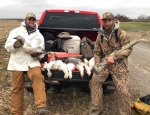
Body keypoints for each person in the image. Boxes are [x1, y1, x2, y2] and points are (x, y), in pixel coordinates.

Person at [89, 12, 132, 115]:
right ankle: (96, 108)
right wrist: (97, 61)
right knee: (95, 81)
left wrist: (115, 57)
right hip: (105, 63)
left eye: (109, 20)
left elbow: (128, 49)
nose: (106, 23)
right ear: (102, 21)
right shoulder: (100, 35)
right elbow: (97, 51)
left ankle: (125, 112)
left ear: (113, 21)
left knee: (123, 90)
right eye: (104, 21)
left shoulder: (122, 33)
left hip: (119, 64)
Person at [5, 13, 47, 115]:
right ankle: (16, 112)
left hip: (32, 62)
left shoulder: (39, 35)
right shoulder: (16, 32)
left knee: (38, 78)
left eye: (33, 19)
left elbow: (41, 50)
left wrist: (38, 55)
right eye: (29, 19)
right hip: (17, 62)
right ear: (25, 20)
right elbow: (7, 47)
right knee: (17, 88)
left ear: (35, 21)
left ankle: (41, 106)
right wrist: (16, 44)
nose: (31, 21)